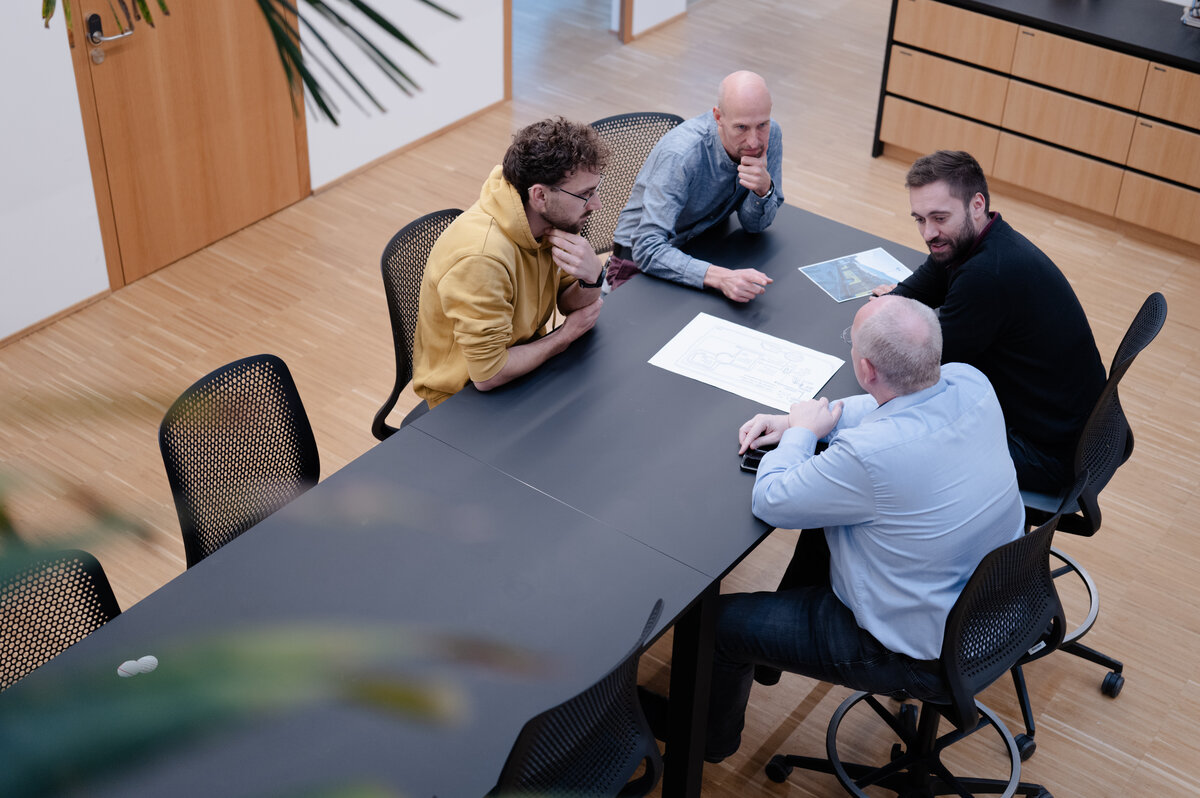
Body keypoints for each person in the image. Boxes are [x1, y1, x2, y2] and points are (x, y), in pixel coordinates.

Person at [703, 295, 1024, 762]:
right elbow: (894, 409)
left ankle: (704, 745)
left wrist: (801, 436)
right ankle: (770, 658)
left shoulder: (868, 457)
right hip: (994, 605)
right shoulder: (972, 382)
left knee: (717, 625)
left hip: (911, 650)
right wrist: (803, 422)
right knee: (828, 522)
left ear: (866, 368)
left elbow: (772, 499)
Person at [874, 150, 1105, 493]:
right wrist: (892, 302)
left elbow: (922, 366)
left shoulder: (988, 274)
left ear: (977, 204)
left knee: (891, 457)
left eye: (939, 217)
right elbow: (914, 289)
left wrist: (883, 319)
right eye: (919, 219)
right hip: (1066, 426)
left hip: (1047, 454)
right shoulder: (974, 240)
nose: (928, 233)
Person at [411, 117, 610, 409]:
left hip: (523, 362)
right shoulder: (481, 258)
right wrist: (565, 335)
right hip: (462, 403)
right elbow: (488, 374)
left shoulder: (548, 222)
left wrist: (593, 277)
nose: (596, 205)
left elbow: (571, 305)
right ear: (540, 195)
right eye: (584, 194)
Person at [606, 70, 784, 302]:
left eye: (762, 124)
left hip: (702, 243)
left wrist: (763, 190)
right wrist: (721, 278)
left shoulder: (771, 137)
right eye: (741, 128)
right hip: (641, 262)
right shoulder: (681, 155)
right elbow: (647, 249)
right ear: (718, 117)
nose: (753, 141)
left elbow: (754, 226)